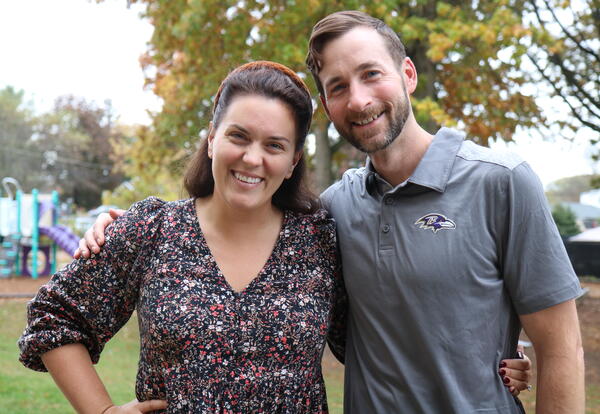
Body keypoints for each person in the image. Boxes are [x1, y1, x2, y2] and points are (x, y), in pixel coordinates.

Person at [78, 10, 583, 413]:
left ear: (407, 75)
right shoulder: (332, 213)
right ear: (326, 102)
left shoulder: (501, 181)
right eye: (339, 86)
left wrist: (514, 358)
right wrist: (121, 227)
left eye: (371, 75)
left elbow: (561, 348)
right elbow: (239, 206)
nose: (359, 100)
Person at [19, 61, 347, 413]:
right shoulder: (152, 229)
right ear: (211, 139)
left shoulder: (321, 240)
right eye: (238, 136)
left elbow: (374, 335)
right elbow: (54, 316)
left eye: (274, 146)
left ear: (294, 161)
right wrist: (103, 411)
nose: (253, 158)